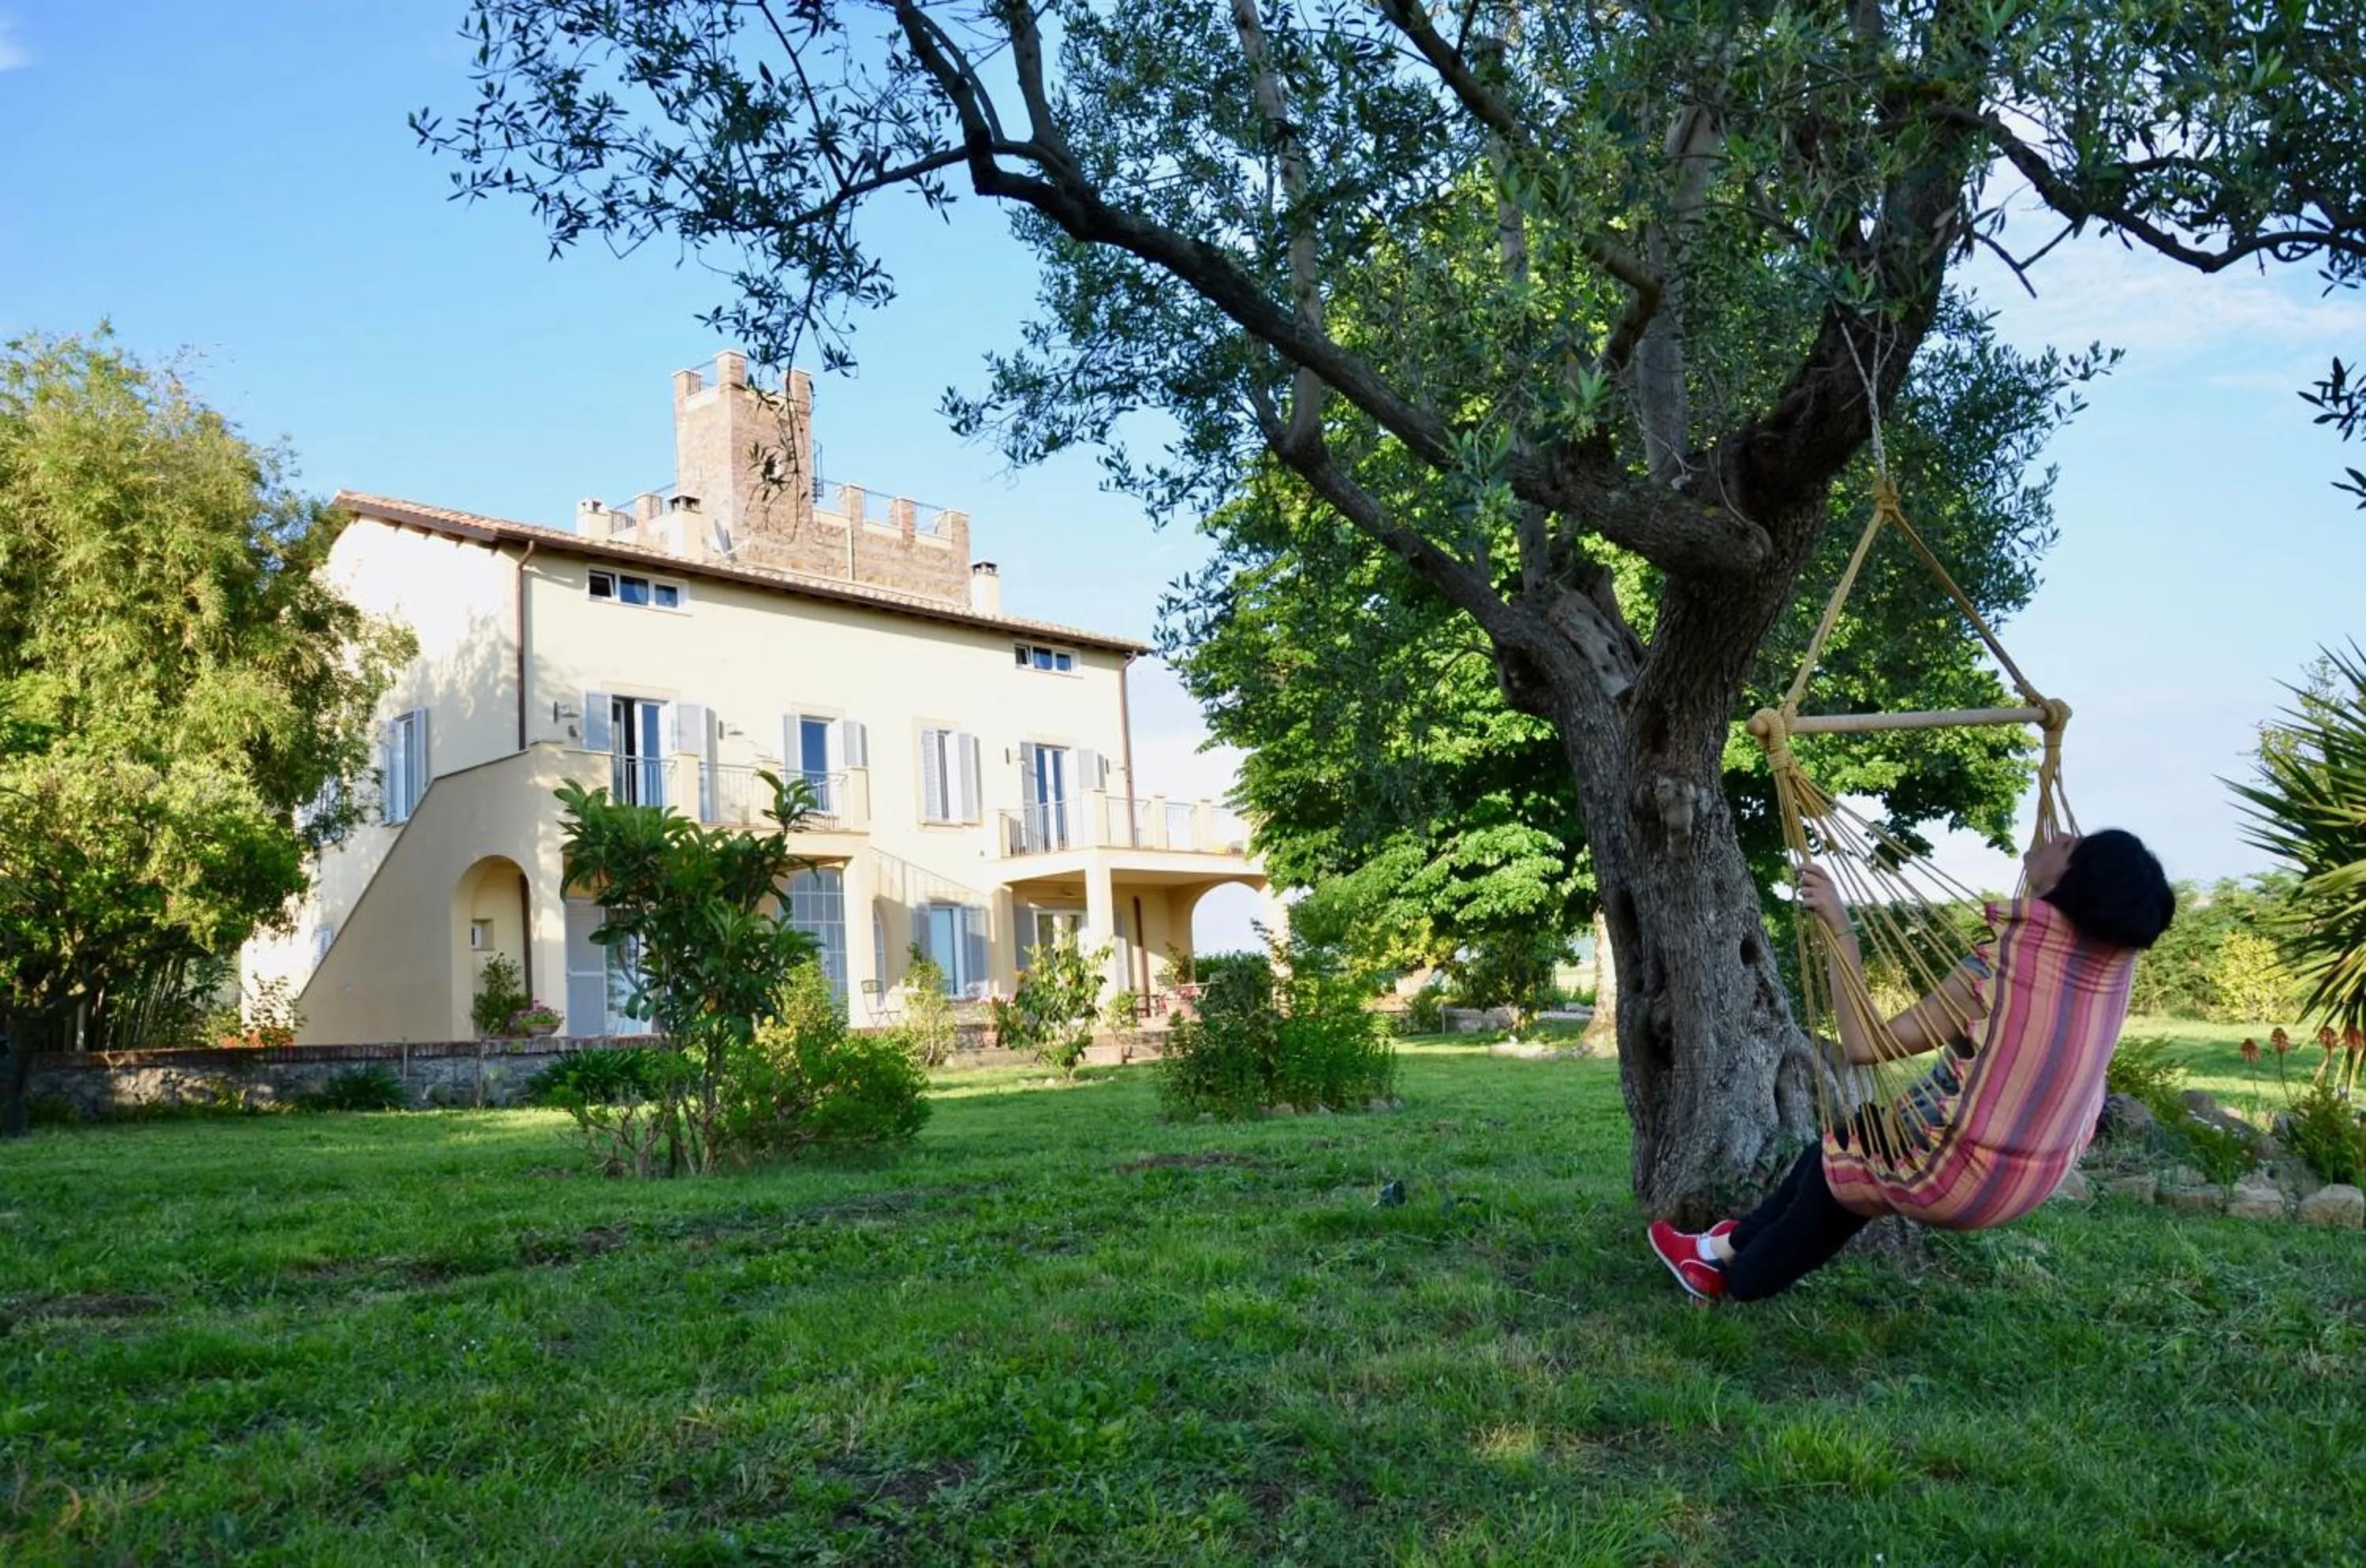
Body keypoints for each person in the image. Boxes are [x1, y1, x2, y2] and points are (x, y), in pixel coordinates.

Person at [1648, 827, 2176, 1303]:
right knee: (1833, 1158)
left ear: (2075, 881)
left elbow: (1863, 1043)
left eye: (2072, 846)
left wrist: (1840, 924)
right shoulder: (2109, 967)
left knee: (1839, 1175)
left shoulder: (2001, 975)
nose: (2059, 833)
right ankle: (1716, 1250)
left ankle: (1732, 1277)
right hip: (2028, 1179)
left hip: (1958, 1177)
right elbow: (2102, 895)